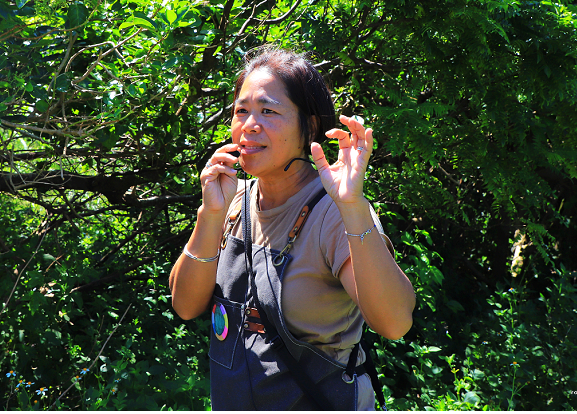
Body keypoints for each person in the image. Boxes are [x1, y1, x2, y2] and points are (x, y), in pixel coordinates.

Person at [169, 47, 416, 410]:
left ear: (310, 126)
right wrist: (209, 213)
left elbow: (395, 323)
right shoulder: (233, 200)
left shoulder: (332, 214)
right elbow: (186, 305)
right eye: (241, 111)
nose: (249, 124)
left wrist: (353, 207)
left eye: (268, 111)